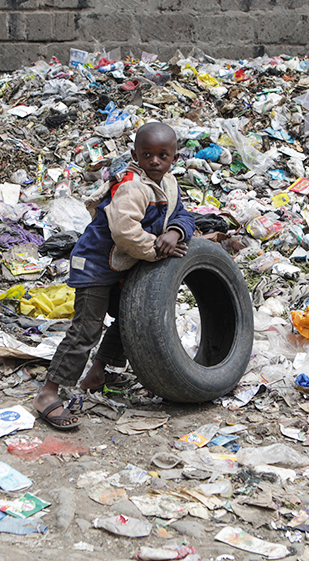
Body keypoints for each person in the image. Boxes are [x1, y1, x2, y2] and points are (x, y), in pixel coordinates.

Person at [32, 122, 196, 430]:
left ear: (175, 157)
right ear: (135, 154)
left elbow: (183, 214)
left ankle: (98, 371)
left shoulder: (170, 183)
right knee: (86, 329)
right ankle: (48, 392)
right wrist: (157, 248)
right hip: (96, 263)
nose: (156, 161)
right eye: (147, 154)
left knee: (130, 317)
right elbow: (125, 233)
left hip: (122, 264)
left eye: (163, 155)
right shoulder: (132, 186)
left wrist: (175, 231)